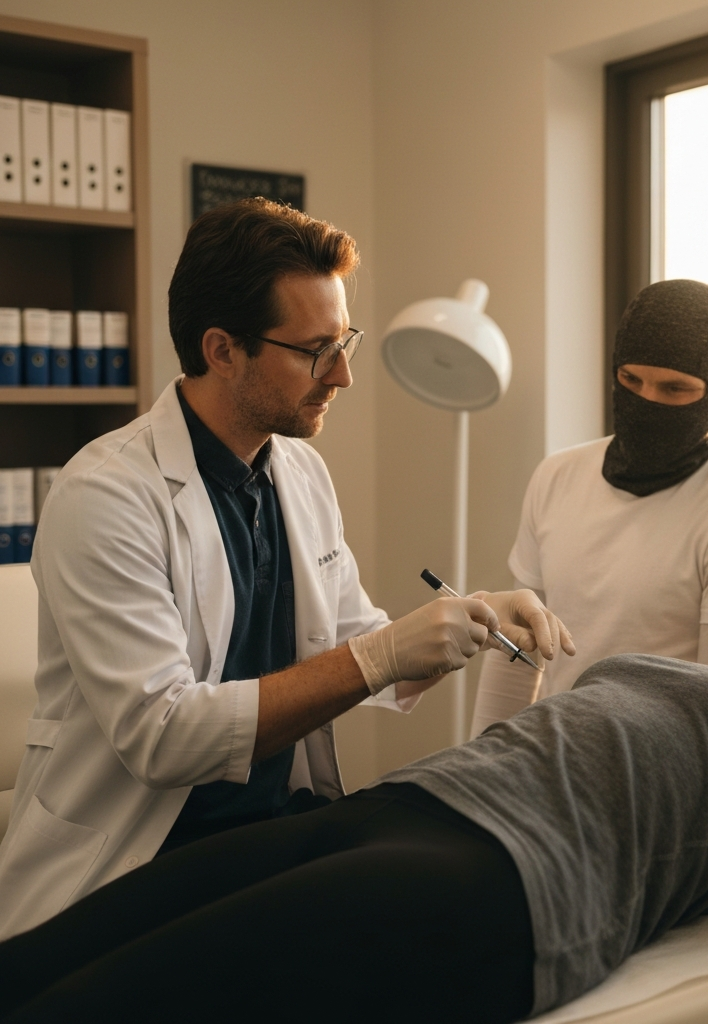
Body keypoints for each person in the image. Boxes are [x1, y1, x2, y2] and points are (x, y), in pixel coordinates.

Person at [0, 542, 708, 1024]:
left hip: (501, 879)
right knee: (48, 954)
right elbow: (534, 743)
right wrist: (504, 637)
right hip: (416, 805)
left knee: (109, 1002)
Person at [0, 198, 571, 941]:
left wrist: (471, 619)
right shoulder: (105, 497)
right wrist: (379, 657)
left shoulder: (298, 471)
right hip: (138, 859)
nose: (342, 377)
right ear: (222, 349)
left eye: (346, 343)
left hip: (268, 834)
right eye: (314, 350)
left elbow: (351, 640)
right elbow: (163, 736)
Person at [471, 278, 708, 737]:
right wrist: (483, 767)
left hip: (658, 786)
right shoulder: (557, 477)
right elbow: (517, 653)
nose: (647, 401)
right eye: (631, 379)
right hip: (547, 769)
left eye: (674, 389)